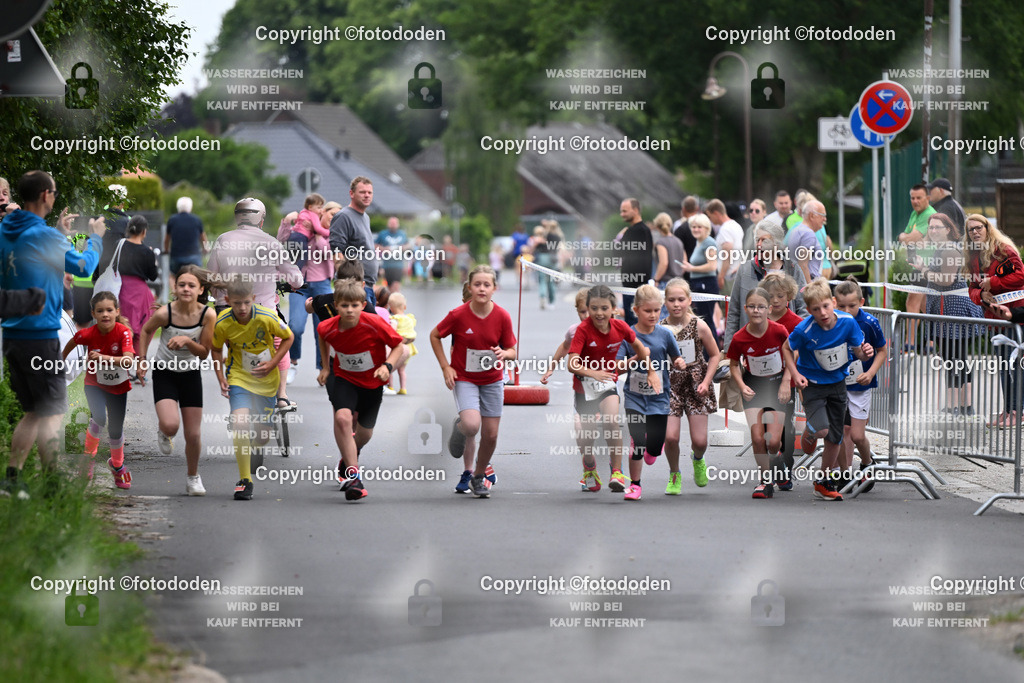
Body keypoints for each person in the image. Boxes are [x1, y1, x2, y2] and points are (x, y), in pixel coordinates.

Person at [0, 170, 104, 498]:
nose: (55, 197)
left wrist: (59, 234)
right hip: (41, 334)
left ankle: (13, 478)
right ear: (46, 195)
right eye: (54, 192)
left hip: (11, 333)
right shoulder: (44, 236)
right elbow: (84, 267)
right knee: (52, 411)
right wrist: (96, 238)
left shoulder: (5, 229)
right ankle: (52, 485)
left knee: (34, 410)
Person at [206, 197, 303, 411]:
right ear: (261, 219)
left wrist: (220, 295)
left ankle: (235, 395)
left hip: (228, 308)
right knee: (279, 343)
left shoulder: (223, 239)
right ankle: (282, 396)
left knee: (234, 349)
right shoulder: (271, 242)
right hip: (263, 309)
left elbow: (211, 276)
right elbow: (296, 278)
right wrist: (293, 282)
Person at [430, 265, 517, 497]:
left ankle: (478, 476)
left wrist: (505, 354)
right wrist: (445, 366)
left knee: (491, 435)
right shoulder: (458, 315)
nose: (481, 288)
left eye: (486, 285)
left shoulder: (502, 316)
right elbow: (435, 335)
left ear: (494, 288)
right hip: (465, 378)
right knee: (471, 425)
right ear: (469, 287)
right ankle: (460, 426)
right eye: (477, 284)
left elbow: (512, 350)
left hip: (492, 380)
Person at [786, 277, 875, 501]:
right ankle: (812, 427)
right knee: (823, 431)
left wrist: (866, 352)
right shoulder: (804, 328)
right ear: (808, 310)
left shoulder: (847, 322)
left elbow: (859, 352)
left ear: (833, 303)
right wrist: (795, 374)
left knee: (835, 436)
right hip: (812, 385)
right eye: (816, 309)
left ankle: (823, 481)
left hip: (837, 383)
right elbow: (786, 348)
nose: (823, 312)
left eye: (826, 306)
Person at [316, 280, 406, 501]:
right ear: (336, 305)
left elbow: (399, 346)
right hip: (345, 379)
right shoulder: (326, 326)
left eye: (355, 305)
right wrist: (326, 368)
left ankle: (350, 454)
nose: (349, 310)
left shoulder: (374, 323)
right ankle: (353, 475)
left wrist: (387, 366)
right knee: (342, 417)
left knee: (364, 434)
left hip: (373, 383)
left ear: (363, 305)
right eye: (344, 305)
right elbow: (323, 338)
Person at [211, 277, 294, 500]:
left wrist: (273, 362)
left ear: (254, 299)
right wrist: (221, 376)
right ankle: (245, 480)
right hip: (239, 376)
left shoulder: (267, 317)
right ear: (228, 301)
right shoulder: (223, 322)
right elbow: (216, 349)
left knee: (262, 436)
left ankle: (255, 444)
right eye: (237, 303)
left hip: (266, 381)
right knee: (239, 422)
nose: (242, 308)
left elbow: (289, 337)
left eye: (247, 302)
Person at [567, 284, 656, 493]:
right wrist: (593, 372)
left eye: (604, 308)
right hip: (584, 388)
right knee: (586, 437)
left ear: (613, 309)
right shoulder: (582, 330)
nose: (599, 313)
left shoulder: (620, 327)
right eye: (594, 308)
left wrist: (651, 371)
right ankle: (589, 466)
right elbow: (572, 364)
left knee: (611, 421)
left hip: (607, 384)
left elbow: (640, 348)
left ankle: (616, 471)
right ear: (588, 309)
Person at [137, 265, 216, 496]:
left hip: (191, 374)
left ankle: (193, 478)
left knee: (193, 434)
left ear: (201, 289)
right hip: (165, 372)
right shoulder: (165, 313)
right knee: (171, 425)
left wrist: (187, 341)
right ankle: (164, 431)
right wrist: (142, 360)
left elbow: (204, 353)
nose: (186, 289)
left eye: (192, 285)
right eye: (182, 284)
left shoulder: (207, 315)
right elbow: (144, 331)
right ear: (175, 287)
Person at [727, 287, 796, 499]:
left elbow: (792, 354)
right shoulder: (739, 338)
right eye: (752, 307)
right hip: (754, 387)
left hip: (776, 386)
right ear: (746, 309)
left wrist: (786, 381)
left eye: (761, 307)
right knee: (758, 437)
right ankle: (765, 481)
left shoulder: (778, 331)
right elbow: (733, 364)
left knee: (773, 442)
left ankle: (776, 461)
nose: (756, 310)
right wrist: (741, 385)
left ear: (769, 309)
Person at [62, 291, 136, 488]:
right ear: (93, 314)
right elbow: (73, 341)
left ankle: (117, 466)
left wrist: (105, 359)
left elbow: (128, 359)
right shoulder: (88, 333)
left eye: (109, 310)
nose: (105, 314)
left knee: (115, 429)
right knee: (99, 419)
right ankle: (87, 461)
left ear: (116, 311)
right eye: (100, 311)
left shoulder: (123, 333)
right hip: (94, 385)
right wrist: (61, 359)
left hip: (118, 387)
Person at [912, 212, 981, 417]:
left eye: (937, 227)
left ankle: (964, 407)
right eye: (930, 227)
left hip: (954, 310)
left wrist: (924, 270)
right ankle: (955, 406)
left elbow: (946, 280)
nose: (932, 231)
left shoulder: (950, 249)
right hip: (946, 310)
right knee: (951, 358)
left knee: (956, 358)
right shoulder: (943, 248)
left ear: (948, 230)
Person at [617, 285, 678, 501]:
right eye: (647, 311)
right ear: (636, 310)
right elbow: (618, 367)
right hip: (634, 397)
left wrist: (679, 362)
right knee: (637, 442)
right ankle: (635, 485)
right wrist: (636, 358)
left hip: (659, 398)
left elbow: (675, 356)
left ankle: (653, 447)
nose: (653, 315)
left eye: (656, 311)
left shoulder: (665, 334)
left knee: (653, 447)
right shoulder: (628, 336)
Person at [963, 214, 1024, 427]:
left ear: (988, 229)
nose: (975, 232)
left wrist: (993, 283)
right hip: (994, 319)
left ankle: (1017, 411)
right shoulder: (972, 257)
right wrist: (982, 296)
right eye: (971, 230)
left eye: (979, 228)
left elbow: (1020, 276)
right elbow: (972, 289)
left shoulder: (1004, 249)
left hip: (1015, 316)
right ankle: (1008, 410)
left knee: (1014, 364)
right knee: (1003, 365)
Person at [660, 278, 718, 494]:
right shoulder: (661, 329)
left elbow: (714, 355)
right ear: (665, 302)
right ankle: (674, 473)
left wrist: (706, 381)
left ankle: (698, 458)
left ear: (689, 301)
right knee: (671, 436)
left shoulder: (699, 326)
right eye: (671, 300)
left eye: (681, 299)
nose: (676, 304)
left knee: (700, 441)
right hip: (671, 386)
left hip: (696, 385)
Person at [834, 278, 888, 491]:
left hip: (861, 385)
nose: (846, 310)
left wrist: (871, 372)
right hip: (838, 384)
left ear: (862, 302)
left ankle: (867, 464)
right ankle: (844, 472)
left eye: (852, 306)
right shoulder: (831, 321)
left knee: (857, 434)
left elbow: (882, 350)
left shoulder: (870, 323)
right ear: (834, 303)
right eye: (841, 306)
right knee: (840, 431)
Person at [725, 219, 808, 346]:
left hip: (786, 344)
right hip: (751, 345)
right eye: (757, 240)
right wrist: (728, 347)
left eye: (765, 240)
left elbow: (803, 308)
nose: (759, 245)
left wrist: (798, 341)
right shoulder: (745, 269)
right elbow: (734, 311)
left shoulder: (792, 268)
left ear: (776, 243)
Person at [283, 200, 338, 384]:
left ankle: (323, 368)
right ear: (322, 212)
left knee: (322, 329)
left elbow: (325, 251)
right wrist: (288, 222)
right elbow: (284, 241)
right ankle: (293, 363)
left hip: (322, 285)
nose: (334, 218)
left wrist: (316, 231)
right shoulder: (302, 228)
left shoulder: (332, 235)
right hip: (300, 285)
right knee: (295, 326)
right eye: (331, 214)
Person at [762, 272, 804, 485]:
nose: (775, 300)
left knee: (784, 423)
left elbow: (797, 352)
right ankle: (773, 460)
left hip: (785, 380)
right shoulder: (759, 319)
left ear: (789, 296)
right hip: (760, 379)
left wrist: (788, 380)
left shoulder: (795, 322)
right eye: (770, 296)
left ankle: (785, 467)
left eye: (780, 295)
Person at [330, 176, 379, 308]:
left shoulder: (365, 217)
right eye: (362, 192)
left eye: (369, 192)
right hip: (355, 288)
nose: (367, 195)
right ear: (351, 193)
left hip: (368, 285)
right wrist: (348, 286)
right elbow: (336, 252)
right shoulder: (343, 216)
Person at [117, 215, 159, 351]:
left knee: (122, 323)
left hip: (121, 288)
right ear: (144, 231)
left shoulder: (119, 245)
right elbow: (153, 276)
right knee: (143, 325)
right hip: (140, 292)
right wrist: (154, 261)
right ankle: (137, 354)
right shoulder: (147, 252)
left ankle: (121, 355)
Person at [679, 213, 720, 346]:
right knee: (701, 319)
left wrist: (692, 268)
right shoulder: (699, 242)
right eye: (693, 227)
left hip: (706, 283)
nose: (695, 229)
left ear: (706, 228)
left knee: (707, 320)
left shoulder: (709, 242)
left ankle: (713, 353)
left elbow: (712, 265)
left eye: (699, 227)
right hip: (698, 283)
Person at [617, 198, 652, 326]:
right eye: (621, 211)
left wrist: (619, 238)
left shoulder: (633, 231)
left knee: (632, 322)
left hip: (632, 285)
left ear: (636, 210)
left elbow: (618, 253)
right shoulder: (646, 230)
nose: (622, 214)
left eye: (625, 211)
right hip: (641, 284)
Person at [705, 199, 744, 293]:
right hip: (735, 273)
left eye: (710, 217)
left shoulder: (725, 229)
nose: (710, 220)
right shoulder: (736, 225)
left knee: (726, 306)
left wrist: (721, 276)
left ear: (716, 213)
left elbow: (727, 254)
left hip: (728, 277)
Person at [94, 183, 130, 283]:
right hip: (120, 273)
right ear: (122, 203)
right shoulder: (128, 223)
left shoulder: (99, 220)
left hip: (99, 270)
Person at [165, 196, 207, 276]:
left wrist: (166, 250)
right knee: (197, 276)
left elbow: (167, 239)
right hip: (194, 257)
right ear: (190, 207)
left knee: (173, 276)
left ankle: (175, 288)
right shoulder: (197, 220)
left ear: (178, 207)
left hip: (176, 256)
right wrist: (205, 248)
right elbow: (203, 237)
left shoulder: (172, 220)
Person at [387, 292, 417, 395]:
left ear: (391, 308)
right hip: (409, 347)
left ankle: (390, 387)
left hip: (398, 348)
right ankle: (403, 388)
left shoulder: (395, 319)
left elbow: (392, 331)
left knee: (390, 366)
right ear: (404, 306)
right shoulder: (410, 318)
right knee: (402, 370)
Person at [652, 212, 685, 288]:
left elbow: (664, 263)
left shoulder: (661, 242)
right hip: (680, 282)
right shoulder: (678, 241)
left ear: (657, 226)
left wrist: (656, 279)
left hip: (666, 282)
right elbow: (684, 263)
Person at [376, 216, 408, 291]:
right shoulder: (383, 234)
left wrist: (403, 247)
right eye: (391, 223)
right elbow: (375, 245)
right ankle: (392, 301)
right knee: (390, 288)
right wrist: (384, 249)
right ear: (388, 224)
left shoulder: (402, 234)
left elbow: (408, 244)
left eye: (395, 223)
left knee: (396, 287)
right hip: (387, 265)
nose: (393, 225)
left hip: (398, 265)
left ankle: (396, 301)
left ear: (398, 224)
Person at [673, 196, 700, 274]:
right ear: (697, 208)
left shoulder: (680, 229)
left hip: (687, 270)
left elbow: (677, 252)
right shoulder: (707, 227)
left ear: (683, 209)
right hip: (705, 270)